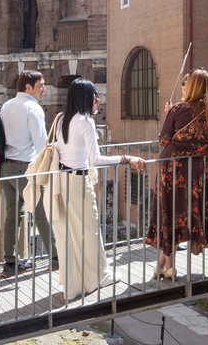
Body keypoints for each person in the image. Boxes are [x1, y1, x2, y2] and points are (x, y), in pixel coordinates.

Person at [51, 78, 145, 300]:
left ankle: (73, 285)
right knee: (90, 230)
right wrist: (126, 157)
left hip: (62, 181)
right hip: (77, 182)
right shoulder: (85, 121)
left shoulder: (61, 118)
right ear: (84, 97)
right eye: (94, 96)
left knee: (69, 234)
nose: (98, 100)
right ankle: (97, 280)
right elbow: (96, 159)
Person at [146, 69, 208, 278]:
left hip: (173, 169)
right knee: (191, 214)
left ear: (191, 87)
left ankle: (168, 267)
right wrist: (204, 149)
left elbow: (164, 139)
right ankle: (164, 266)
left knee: (170, 212)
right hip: (202, 172)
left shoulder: (178, 110)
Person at [0, 70, 58, 277]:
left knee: (12, 215)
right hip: (27, 168)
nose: (44, 89)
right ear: (28, 87)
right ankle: (56, 259)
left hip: (6, 167)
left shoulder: (5, 106)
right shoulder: (32, 108)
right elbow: (42, 144)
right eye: (41, 85)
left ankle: (10, 263)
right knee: (42, 213)